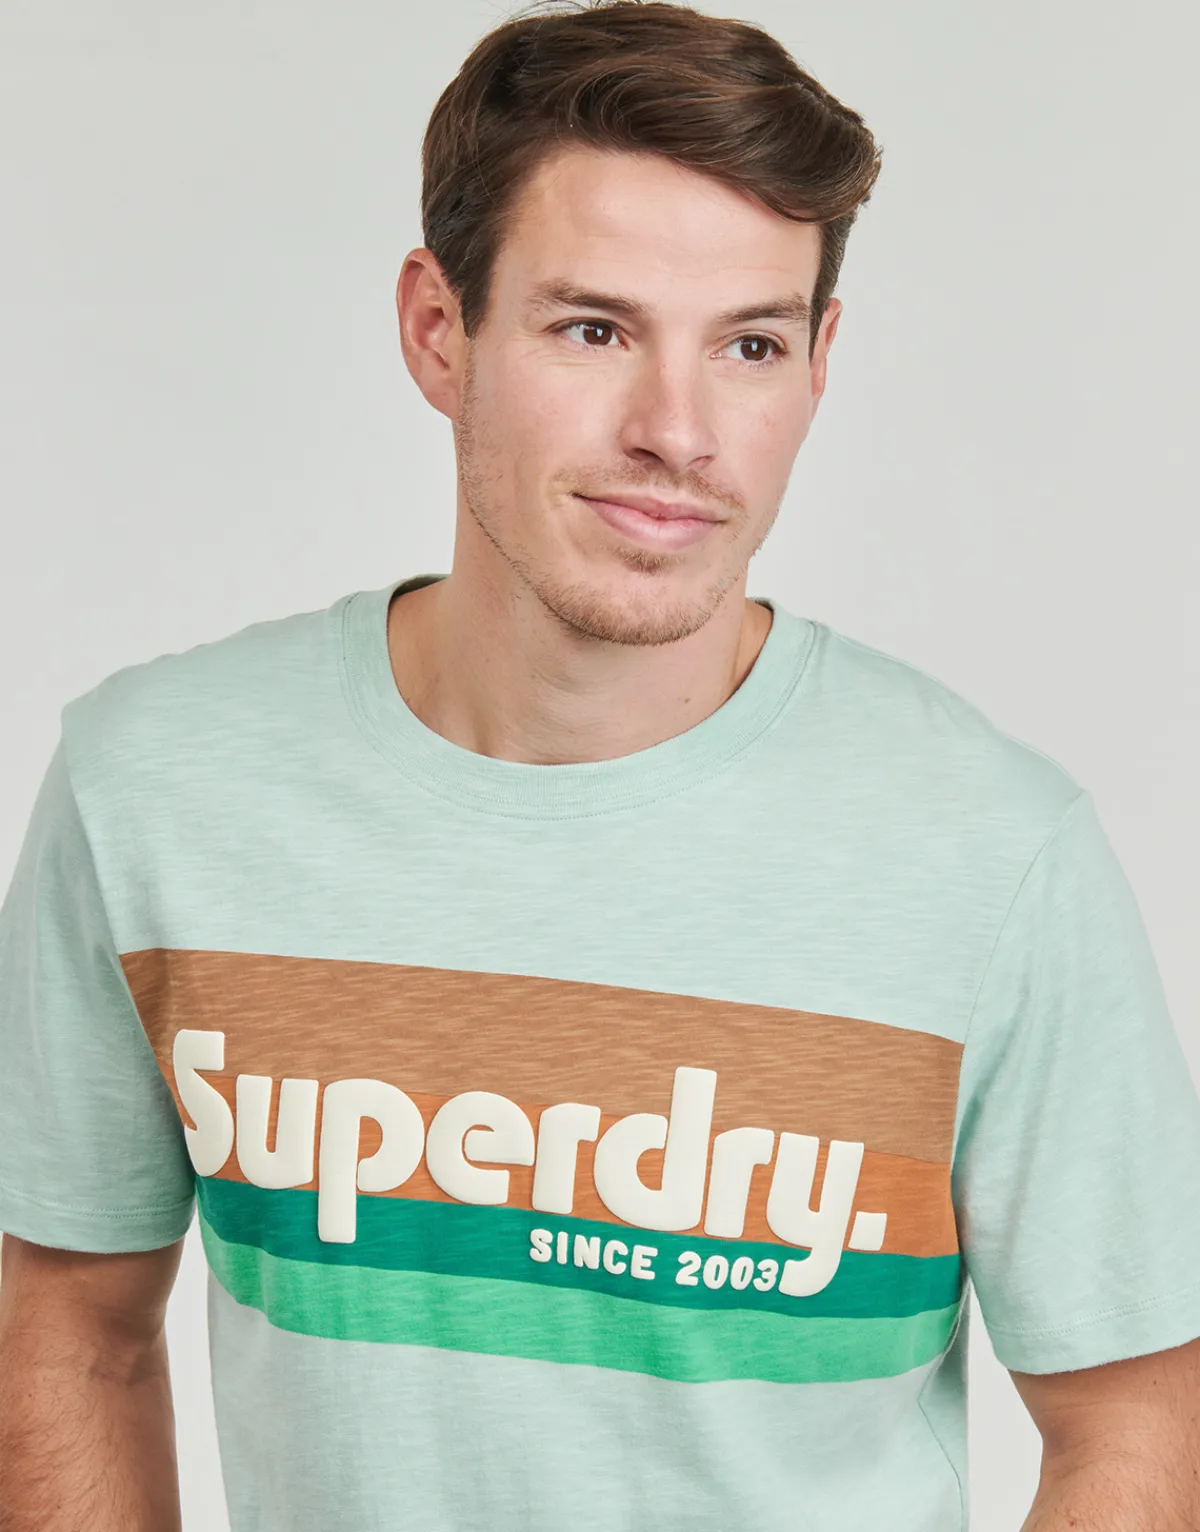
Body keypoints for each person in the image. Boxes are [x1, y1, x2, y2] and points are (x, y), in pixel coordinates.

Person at [1, 1, 1197, 1527]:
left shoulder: (990, 854)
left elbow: (1142, 1421)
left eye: (750, 344)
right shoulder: (156, 788)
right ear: (440, 330)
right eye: (594, 330)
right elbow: (74, 1328)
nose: (678, 432)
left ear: (820, 362)